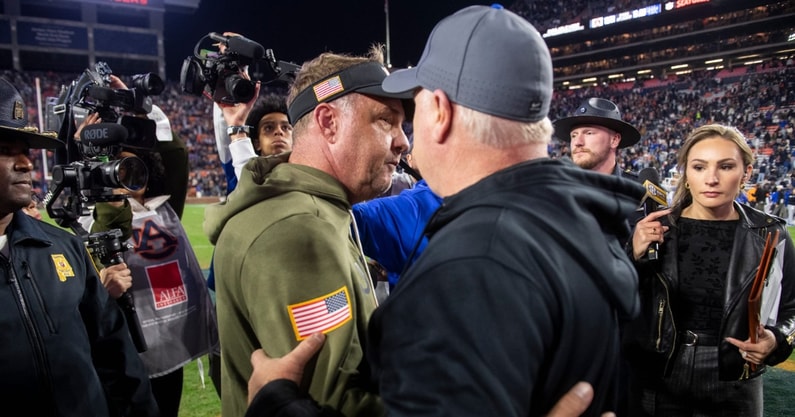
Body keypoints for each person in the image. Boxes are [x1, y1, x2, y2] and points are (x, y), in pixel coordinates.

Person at [243, 5, 645, 416]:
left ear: (441, 110)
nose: (404, 140)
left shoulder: (471, 266)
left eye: (412, 112)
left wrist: (277, 404)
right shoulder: (586, 223)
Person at [204, 46, 412, 417]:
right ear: (328, 122)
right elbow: (334, 402)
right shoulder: (297, 233)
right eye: (385, 120)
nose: (403, 141)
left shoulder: (317, 210)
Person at [0, 77, 159, 415]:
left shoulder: (64, 248)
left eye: (25, 152)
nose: (26, 164)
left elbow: (115, 356)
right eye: (4, 150)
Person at [623, 124, 795, 416]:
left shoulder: (770, 234)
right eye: (700, 167)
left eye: (726, 166)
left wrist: (776, 339)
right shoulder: (652, 229)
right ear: (686, 174)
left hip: (736, 375)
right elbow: (616, 302)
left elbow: (791, 308)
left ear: (746, 174)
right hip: (659, 371)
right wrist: (631, 256)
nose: (712, 179)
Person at [553, 97, 641, 175]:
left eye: (589, 133)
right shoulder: (557, 191)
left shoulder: (638, 191)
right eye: (574, 135)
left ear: (614, 140)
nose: (577, 142)